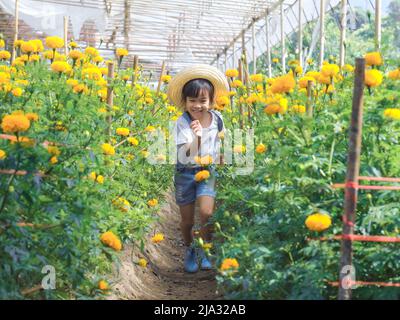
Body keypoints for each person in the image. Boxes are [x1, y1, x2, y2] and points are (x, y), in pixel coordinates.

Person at [167, 65, 229, 273]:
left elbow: (221, 141)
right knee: (186, 222)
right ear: (185, 102)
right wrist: (198, 137)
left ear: (211, 102)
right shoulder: (183, 123)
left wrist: (221, 157)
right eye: (192, 101)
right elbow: (185, 155)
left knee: (206, 212)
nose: (197, 105)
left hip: (207, 170)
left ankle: (205, 249)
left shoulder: (217, 119)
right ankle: (191, 248)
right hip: (185, 172)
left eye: (202, 101)